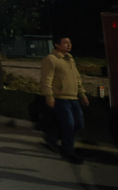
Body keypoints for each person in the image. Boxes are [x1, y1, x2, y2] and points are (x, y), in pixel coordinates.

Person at [40, 36, 88, 164]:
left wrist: (82, 93)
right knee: (68, 125)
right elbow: (46, 80)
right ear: (56, 44)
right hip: (60, 98)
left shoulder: (70, 58)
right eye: (65, 42)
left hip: (73, 97)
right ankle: (68, 152)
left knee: (79, 124)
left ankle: (52, 137)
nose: (69, 45)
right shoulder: (51, 59)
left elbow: (76, 77)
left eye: (70, 42)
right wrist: (49, 96)